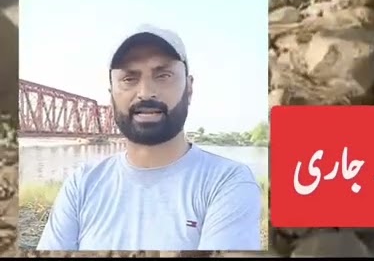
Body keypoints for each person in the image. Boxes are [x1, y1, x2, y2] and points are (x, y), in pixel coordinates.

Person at [36, 24, 263, 252]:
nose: (145, 92)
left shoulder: (228, 182)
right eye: (129, 79)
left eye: (163, 75)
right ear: (111, 95)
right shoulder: (82, 184)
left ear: (190, 88)